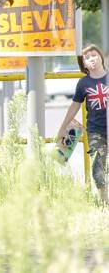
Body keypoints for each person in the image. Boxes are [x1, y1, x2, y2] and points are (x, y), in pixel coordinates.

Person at [57, 44, 109, 205]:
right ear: (83, 64)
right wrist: (62, 129)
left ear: (100, 57)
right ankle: (104, 202)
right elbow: (74, 106)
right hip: (96, 130)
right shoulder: (83, 83)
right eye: (87, 57)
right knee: (98, 164)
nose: (92, 59)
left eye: (94, 55)